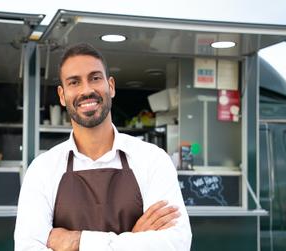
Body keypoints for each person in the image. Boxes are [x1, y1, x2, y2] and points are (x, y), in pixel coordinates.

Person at [14, 43, 192, 251]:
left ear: (111, 86)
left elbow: (175, 244)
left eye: (95, 78)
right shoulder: (42, 169)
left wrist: (78, 241)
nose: (87, 90)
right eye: (74, 82)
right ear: (62, 96)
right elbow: (27, 247)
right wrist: (134, 239)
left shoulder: (153, 159)